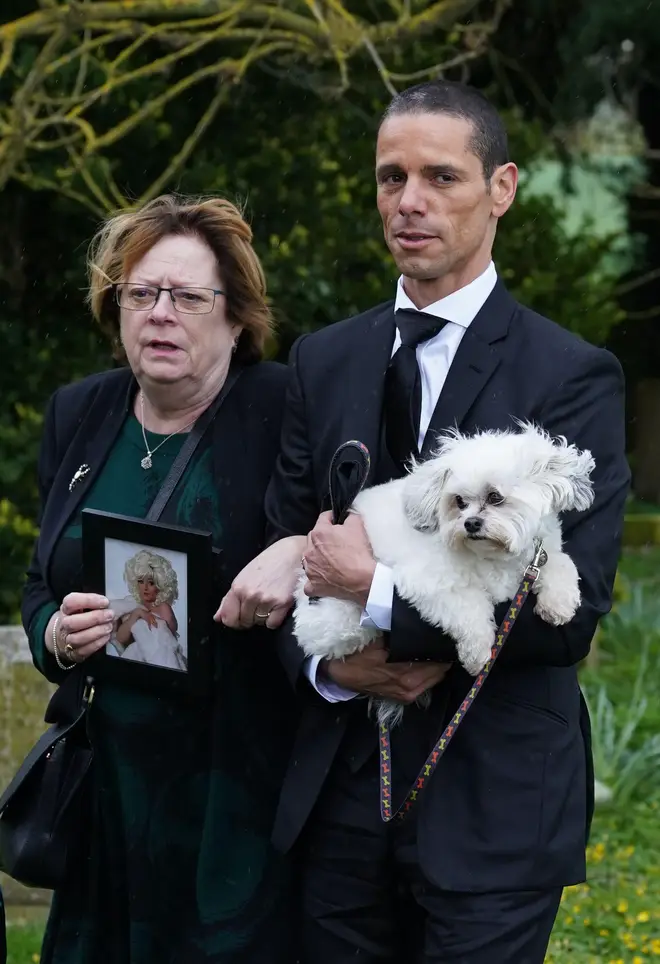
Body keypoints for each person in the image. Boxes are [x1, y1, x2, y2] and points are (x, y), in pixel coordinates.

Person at [221, 81, 631, 962]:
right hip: (336, 798)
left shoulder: (572, 375)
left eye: (440, 176)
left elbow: (574, 610)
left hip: (494, 804)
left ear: (503, 188)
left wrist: (383, 606)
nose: (409, 202)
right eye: (390, 177)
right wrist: (338, 673)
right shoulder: (323, 359)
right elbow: (285, 550)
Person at [21, 194, 301, 964]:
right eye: (140, 294)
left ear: (235, 316)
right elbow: (40, 579)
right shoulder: (80, 412)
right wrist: (53, 633)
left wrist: (301, 546)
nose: (160, 314)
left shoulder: (282, 408)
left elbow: (350, 535)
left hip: (235, 783)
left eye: (187, 297)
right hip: (107, 782)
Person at [108, 549, 186, 670]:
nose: (145, 587)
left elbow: (169, 642)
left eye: (151, 583)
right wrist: (137, 614)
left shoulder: (163, 608)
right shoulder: (132, 606)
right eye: (140, 581)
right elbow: (120, 638)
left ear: (160, 585)